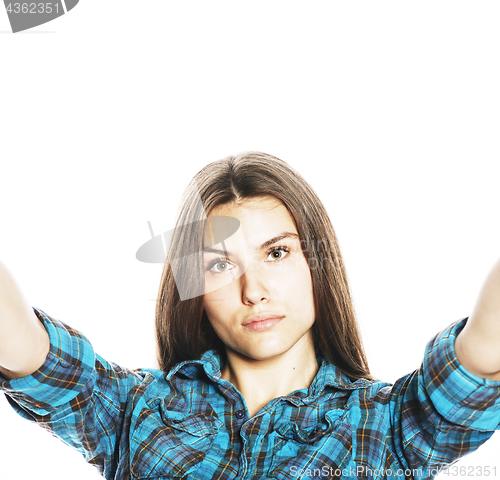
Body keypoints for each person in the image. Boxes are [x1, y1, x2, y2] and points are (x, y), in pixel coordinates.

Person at [1, 151, 500, 480]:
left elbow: (480, 353)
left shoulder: (391, 425)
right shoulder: (134, 411)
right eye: (219, 264)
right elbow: (26, 350)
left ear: (316, 262)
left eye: (277, 253)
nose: (254, 290)